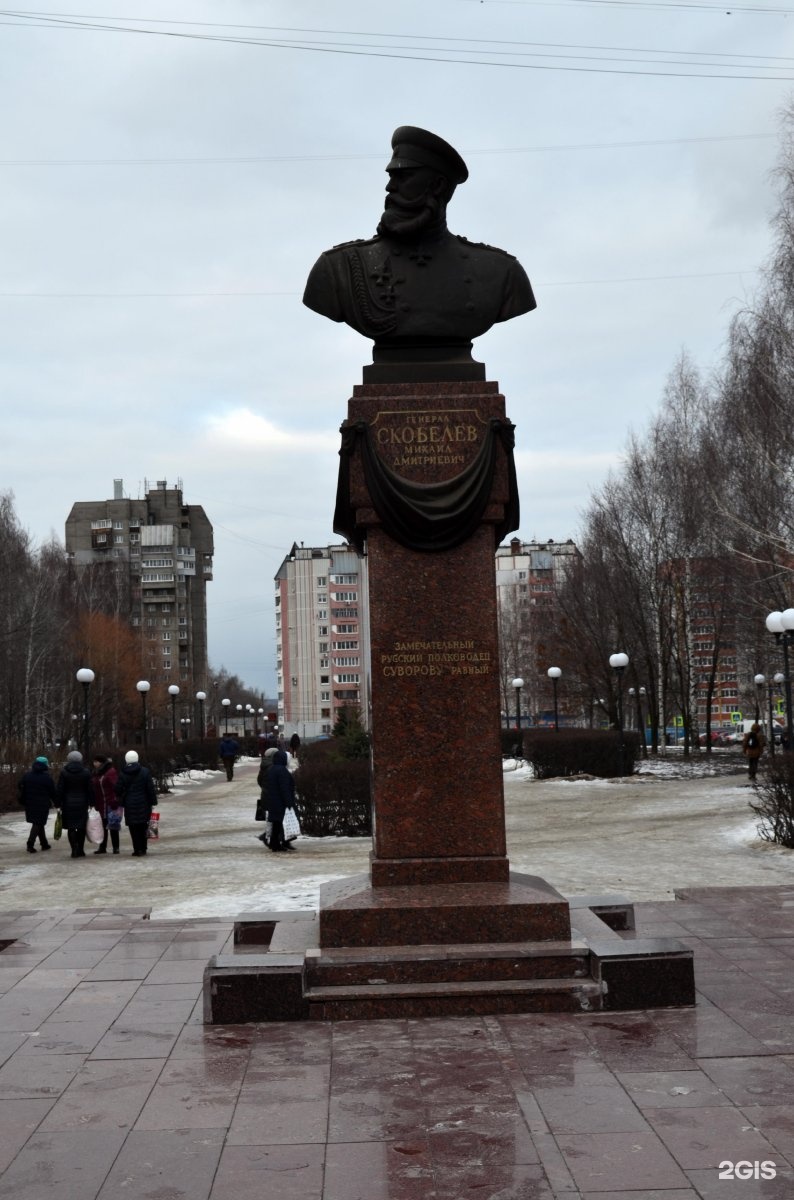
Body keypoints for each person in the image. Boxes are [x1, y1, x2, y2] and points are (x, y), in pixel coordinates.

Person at [303, 126, 535, 374]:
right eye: (391, 176)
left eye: (404, 176)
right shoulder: (339, 268)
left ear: (437, 185)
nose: (389, 187)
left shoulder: (502, 273)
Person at [115, 750, 157, 856]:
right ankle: (143, 848)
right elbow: (150, 788)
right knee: (143, 825)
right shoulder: (145, 771)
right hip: (144, 802)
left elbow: (118, 789)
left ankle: (137, 849)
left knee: (133, 827)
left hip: (129, 803)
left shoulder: (123, 773)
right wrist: (153, 801)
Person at [56, 750, 93, 858]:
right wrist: (92, 803)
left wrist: (58, 803)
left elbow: (60, 789)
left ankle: (74, 850)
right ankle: (81, 850)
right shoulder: (86, 772)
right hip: (82, 803)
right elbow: (90, 789)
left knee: (71, 827)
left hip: (68, 804)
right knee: (81, 827)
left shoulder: (64, 772)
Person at [17, 755, 56, 852]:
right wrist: (57, 802)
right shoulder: (47, 778)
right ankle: (30, 844)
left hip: (29, 803)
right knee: (38, 823)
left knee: (38, 823)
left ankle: (44, 844)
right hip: (42, 803)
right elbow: (53, 792)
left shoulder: (27, 775)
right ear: (45, 765)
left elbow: (20, 785)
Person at [265, 748, 296, 853]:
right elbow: (284, 788)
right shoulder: (282, 770)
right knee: (280, 823)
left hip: (272, 800)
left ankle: (275, 843)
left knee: (276, 824)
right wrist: (289, 802)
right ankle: (276, 844)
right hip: (280, 801)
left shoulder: (271, 769)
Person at [91, 755, 120, 854]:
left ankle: (116, 847)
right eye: (94, 762)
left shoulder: (110, 772)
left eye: (96, 762)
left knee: (113, 825)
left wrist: (116, 799)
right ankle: (102, 847)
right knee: (103, 826)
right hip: (100, 803)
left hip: (111, 802)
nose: (94, 764)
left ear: (102, 763)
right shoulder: (96, 773)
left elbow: (116, 786)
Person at [256, 746, 279, 843]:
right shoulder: (273, 766)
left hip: (266, 794)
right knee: (275, 818)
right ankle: (268, 837)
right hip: (273, 796)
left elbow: (259, 780)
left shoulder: (264, 765)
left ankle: (268, 836)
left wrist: (264, 789)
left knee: (271, 818)